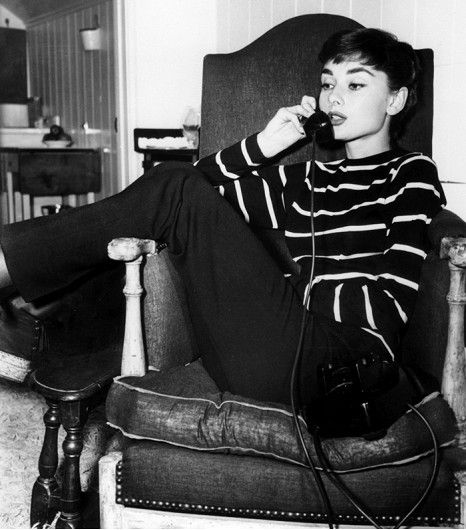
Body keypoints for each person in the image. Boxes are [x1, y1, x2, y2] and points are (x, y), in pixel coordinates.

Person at [0, 28, 445, 426]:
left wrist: (293, 292)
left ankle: (21, 296)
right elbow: (186, 193)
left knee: (175, 188)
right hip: (257, 353)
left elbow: (390, 308)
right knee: (172, 185)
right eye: (328, 83)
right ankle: (43, 329)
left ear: (395, 100)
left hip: (340, 366)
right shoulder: (307, 179)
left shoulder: (412, 173)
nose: (333, 99)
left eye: (355, 84)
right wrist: (267, 144)